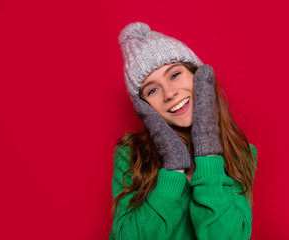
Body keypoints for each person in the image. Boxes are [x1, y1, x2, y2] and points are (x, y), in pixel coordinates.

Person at [108, 22, 258, 240]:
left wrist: (207, 152)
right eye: (152, 90)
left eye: (175, 75)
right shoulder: (130, 154)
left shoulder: (240, 153)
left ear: (198, 78)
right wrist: (173, 168)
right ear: (144, 107)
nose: (169, 93)